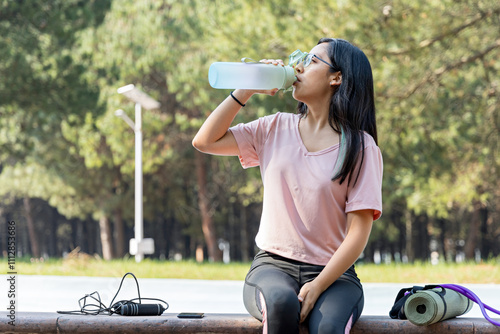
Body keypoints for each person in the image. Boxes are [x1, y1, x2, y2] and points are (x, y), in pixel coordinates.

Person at [192, 38, 383, 334]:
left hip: (335, 276)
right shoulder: (273, 128)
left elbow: (358, 233)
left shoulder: (361, 147)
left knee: (330, 327)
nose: (298, 66)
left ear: (337, 77)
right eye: (300, 58)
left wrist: (318, 285)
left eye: (312, 60)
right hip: (272, 267)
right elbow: (205, 141)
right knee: (281, 305)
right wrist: (246, 88)